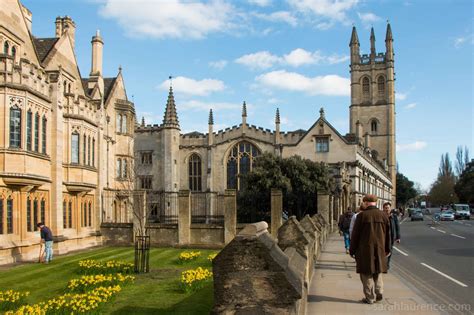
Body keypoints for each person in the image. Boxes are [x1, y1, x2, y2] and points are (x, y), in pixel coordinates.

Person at [349, 194, 391, 304]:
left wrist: (352, 250)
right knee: (378, 271)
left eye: (364, 202)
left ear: (366, 203)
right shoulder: (383, 215)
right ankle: (379, 291)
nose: (363, 204)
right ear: (375, 203)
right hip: (380, 249)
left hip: (364, 249)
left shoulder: (361, 216)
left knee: (366, 273)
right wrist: (388, 249)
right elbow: (388, 235)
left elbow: (355, 235)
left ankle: (370, 297)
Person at [383, 202, 400, 269]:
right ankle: (383, 264)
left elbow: (397, 227)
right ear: (383, 208)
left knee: (390, 251)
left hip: (391, 237)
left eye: (388, 208)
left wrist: (398, 237)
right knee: (383, 251)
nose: (387, 209)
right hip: (383, 237)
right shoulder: (381, 216)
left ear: (390, 209)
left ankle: (387, 264)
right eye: (385, 208)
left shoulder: (394, 217)